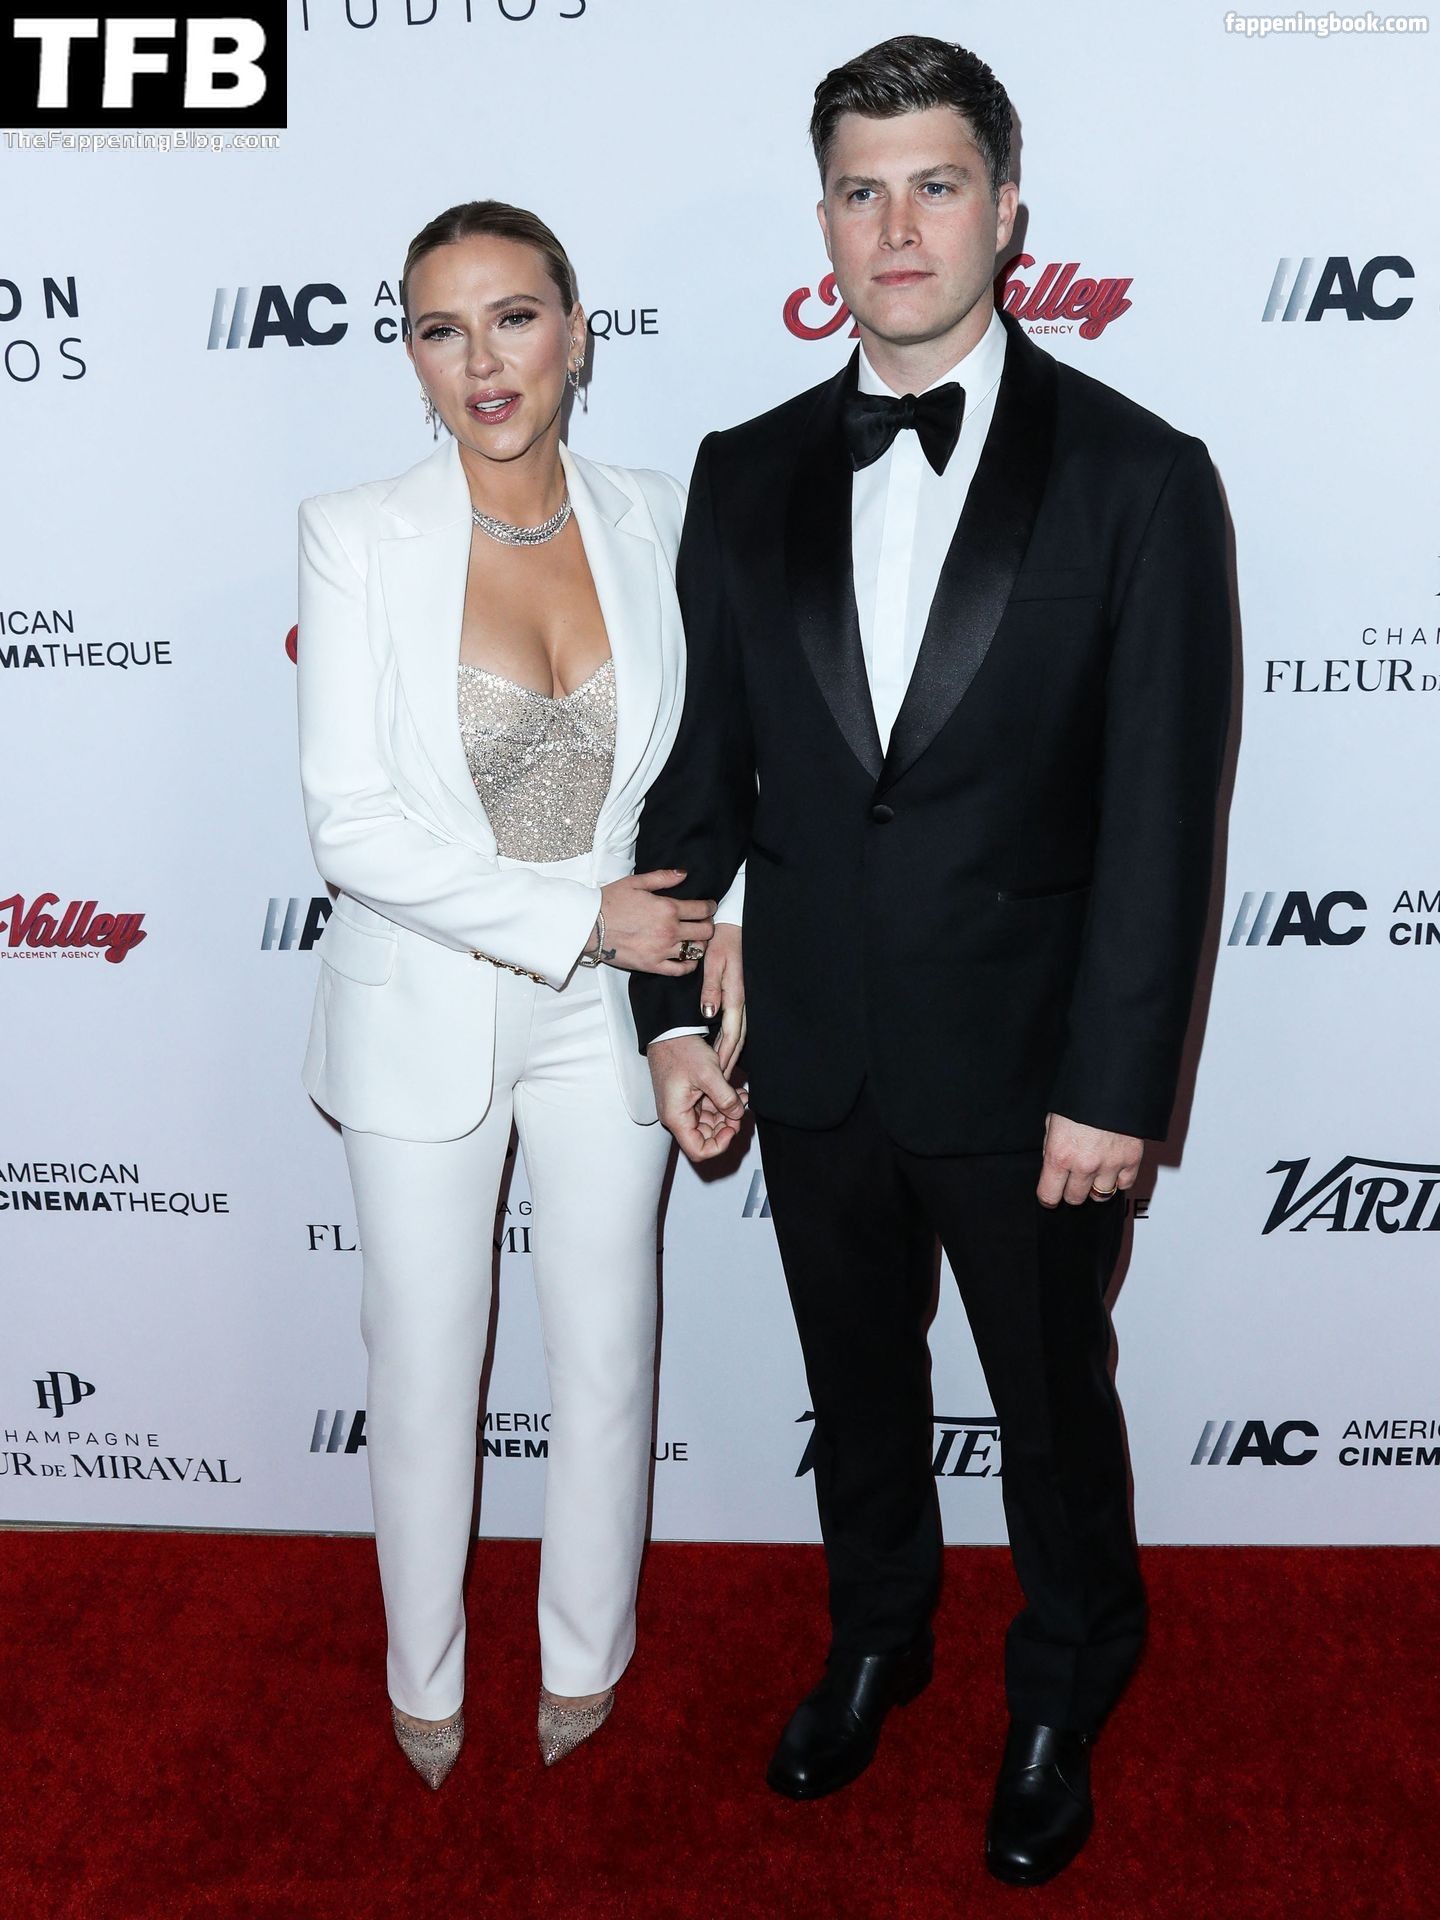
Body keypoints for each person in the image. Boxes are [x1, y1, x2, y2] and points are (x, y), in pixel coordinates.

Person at [630, 36, 1231, 1886]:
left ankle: (1065, 1683)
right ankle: (878, 1635)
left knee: (1051, 1416)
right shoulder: (743, 473)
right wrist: (669, 1017)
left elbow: (1164, 820)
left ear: (1007, 209)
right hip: (813, 1057)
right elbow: (703, 776)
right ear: (824, 220)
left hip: (1035, 1080)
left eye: (938, 185)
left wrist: (1113, 1088)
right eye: (862, 190)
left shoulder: (1140, 478)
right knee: (860, 1393)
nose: (898, 228)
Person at [295, 199, 742, 1789]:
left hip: (611, 1012)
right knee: (425, 1363)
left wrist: (710, 947)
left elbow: (719, 769)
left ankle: (584, 1655)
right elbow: (351, 828)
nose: (483, 361)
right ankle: (424, 1676)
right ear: (413, 358)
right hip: (425, 1000)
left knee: (611, 1346)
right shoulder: (358, 533)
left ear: (576, 332)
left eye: (513, 316)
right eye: (442, 328)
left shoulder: (659, 515)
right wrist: (583, 919)